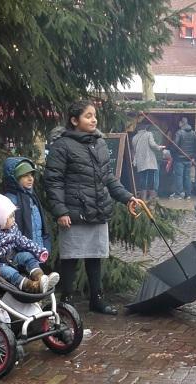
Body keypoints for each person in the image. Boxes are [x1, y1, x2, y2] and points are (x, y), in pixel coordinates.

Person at [44, 100, 143, 315]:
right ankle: (66, 301)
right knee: (70, 257)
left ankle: (96, 300)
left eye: (94, 115)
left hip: (97, 208)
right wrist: (60, 210)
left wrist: (127, 198)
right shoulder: (61, 146)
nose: (93, 119)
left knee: (95, 256)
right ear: (74, 120)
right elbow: (53, 181)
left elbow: (107, 177)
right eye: (88, 116)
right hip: (74, 211)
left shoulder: (98, 143)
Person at [2, 156, 52, 268]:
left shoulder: (33, 198)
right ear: (14, 178)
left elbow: (41, 228)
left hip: (38, 252)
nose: (30, 179)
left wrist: (45, 247)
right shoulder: (9, 201)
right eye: (25, 175)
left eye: (31, 175)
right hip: (21, 257)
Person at [132, 123, 164, 200]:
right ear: (145, 128)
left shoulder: (134, 138)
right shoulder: (148, 134)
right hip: (149, 162)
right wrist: (159, 147)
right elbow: (152, 144)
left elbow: (134, 150)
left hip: (140, 162)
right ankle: (152, 198)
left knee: (142, 180)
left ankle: (143, 199)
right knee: (151, 181)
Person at [169, 117, 196, 200]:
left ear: (181, 122)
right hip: (189, 158)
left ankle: (178, 194)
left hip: (179, 159)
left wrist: (172, 152)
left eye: (179, 122)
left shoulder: (179, 133)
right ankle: (188, 194)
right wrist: (192, 156)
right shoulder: (193, 133)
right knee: (187, 177)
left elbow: (175, 145)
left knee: (179, 176)